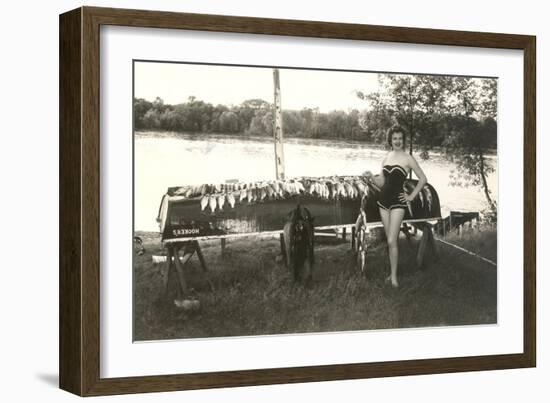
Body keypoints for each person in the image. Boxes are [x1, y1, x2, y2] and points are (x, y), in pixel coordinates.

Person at [362, 125, 427, 288]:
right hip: (383, 202)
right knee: (390, 241)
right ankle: (391, 275)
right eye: (394, 138)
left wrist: (410, 196)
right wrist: (371, 177)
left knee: (392, 240)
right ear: (390, 140)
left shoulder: (408, 158)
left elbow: (423, 179)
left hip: (398, 203)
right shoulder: (386, 158)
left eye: (400, 138)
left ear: (404, 140)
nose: (397, 141)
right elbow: (381, 182)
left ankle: (394, 278)